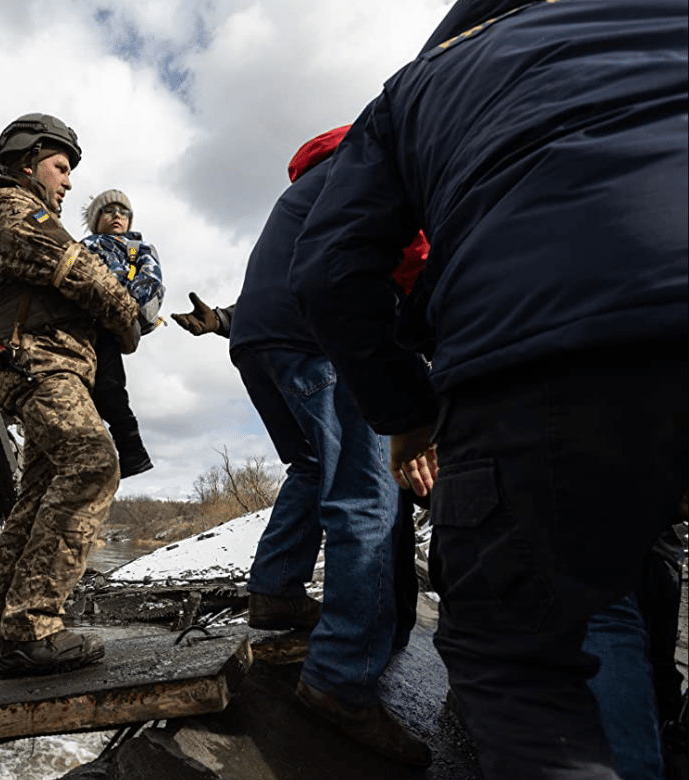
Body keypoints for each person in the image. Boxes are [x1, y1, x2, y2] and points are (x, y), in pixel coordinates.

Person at [288, 1, 688, 777]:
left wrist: (409, 412)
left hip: (544, 367)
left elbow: (331, 270)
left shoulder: (418, 86)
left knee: (529, 643)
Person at [173, 127, 432, 767]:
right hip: (317, 337)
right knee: (368, 496)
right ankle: (342, 680)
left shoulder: (315, 184)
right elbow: (414, 265)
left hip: (260, 343)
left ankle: (276, 587)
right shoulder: (387, 168)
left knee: (314, 466)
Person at [0, 113, 141, 676]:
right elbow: (79, 269)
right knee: (92, 465)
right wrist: (128, 314)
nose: (67, 181)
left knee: (36, 496)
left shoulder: (7, 210)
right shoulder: (8, 208)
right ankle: (31, 628)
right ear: (26, 161)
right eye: (60, 167)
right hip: (41, 366)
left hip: (48, 369)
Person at [79, 189, 164, 479]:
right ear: (95, 219)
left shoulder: (138, 249)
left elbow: (151, 281)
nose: (117, 216)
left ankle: (132, 451)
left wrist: (124, 305)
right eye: (108, 211)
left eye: (123, 212)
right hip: (81, 323)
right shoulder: (82, 245)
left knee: (111, 386)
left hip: (111, 324)